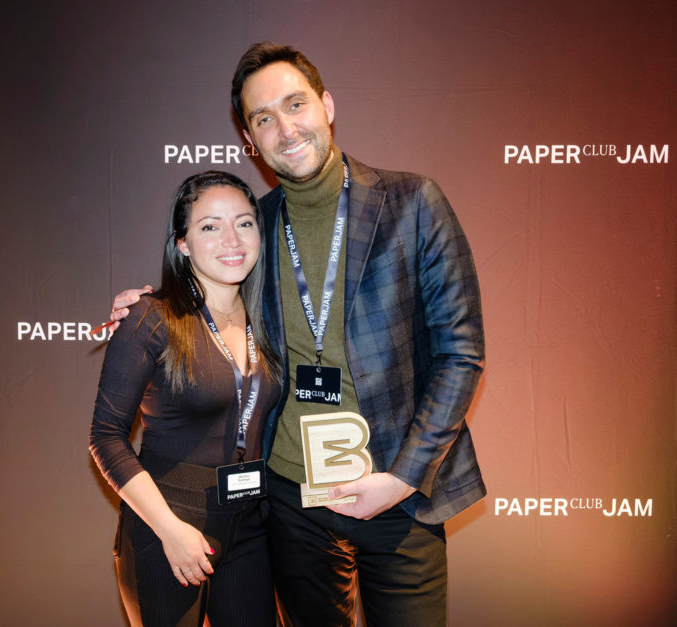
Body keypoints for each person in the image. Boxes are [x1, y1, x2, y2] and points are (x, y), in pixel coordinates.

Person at [110, 43, 485, 627]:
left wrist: (402, 479)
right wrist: (148, 305)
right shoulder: (254, 226)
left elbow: (461, 354)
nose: (285, 128)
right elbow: (209, 285)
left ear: (326, 105)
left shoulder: (413, 203)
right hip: (290, 500)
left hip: (397, 491)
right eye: (264, 118)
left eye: (295, 104)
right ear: (250, 141)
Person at [90, 171, 281, 627]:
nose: (231, 239)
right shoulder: (151, 317)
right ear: (182, 243)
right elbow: (106, 436)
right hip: (168, 524)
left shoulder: (269, 318)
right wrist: (169, 529)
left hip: (249, 523)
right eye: (210, 226)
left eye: (244, 223)